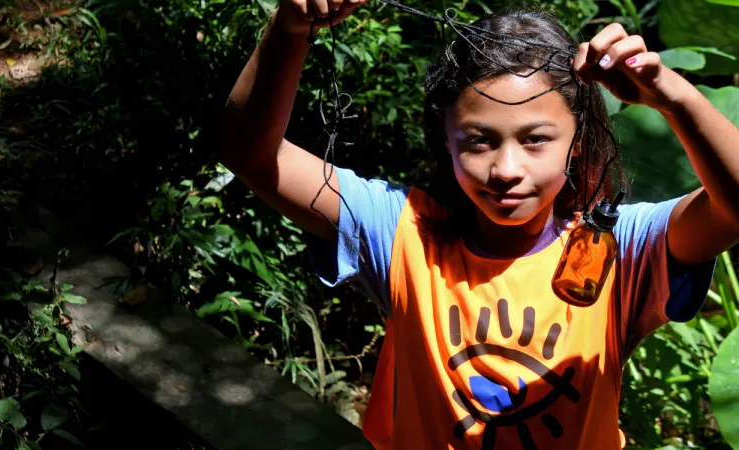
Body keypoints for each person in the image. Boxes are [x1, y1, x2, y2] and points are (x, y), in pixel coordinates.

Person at [219, 0, 739, 448]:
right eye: (478, 141)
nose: (506, 169)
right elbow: (253, 156)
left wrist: (675, 97)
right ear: (445, 141)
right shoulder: (401, 231)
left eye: (536, 139)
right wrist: (288, 30)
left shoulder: (620, 247)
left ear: (578, 142)